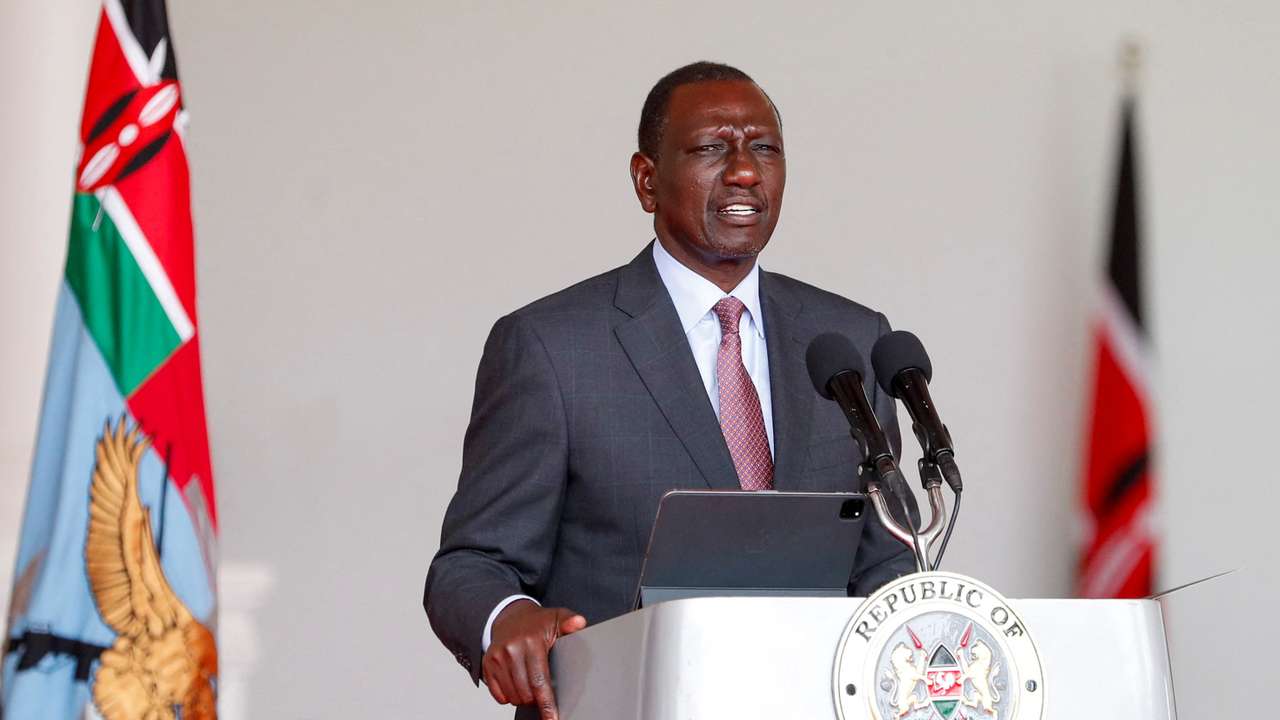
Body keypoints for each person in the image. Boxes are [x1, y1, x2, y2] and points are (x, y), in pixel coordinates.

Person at [423, 61, 914, 720]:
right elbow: (470, 564)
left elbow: (888, 560)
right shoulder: (553, 348)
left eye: (763, 148)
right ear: (646, 180)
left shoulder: (846, 342)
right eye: (713, 148)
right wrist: (507, 620)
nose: (744, 171)